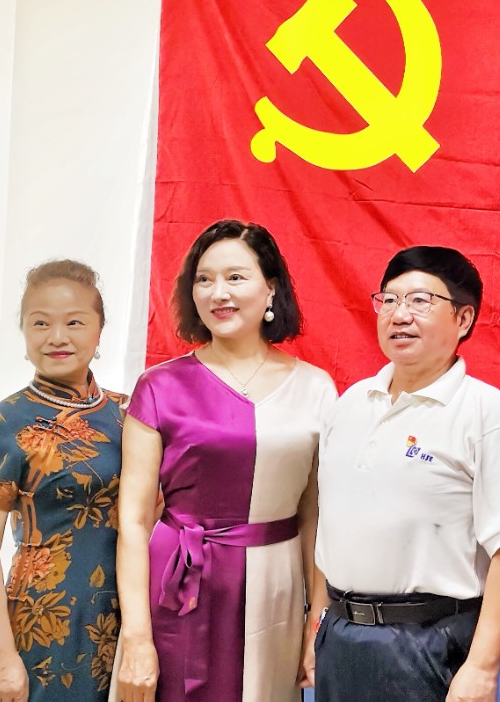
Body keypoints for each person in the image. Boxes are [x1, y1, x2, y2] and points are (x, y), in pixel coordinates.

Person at [113, 219, 336, 702]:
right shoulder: (159, 386)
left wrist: (317, 619)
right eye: (204, 279)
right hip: (177, 582)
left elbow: (315, 515)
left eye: (236, 277)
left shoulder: (316, 388)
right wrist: (136, 637)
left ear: (271, 287)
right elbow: (132, 520)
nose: (218, 293)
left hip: (274, 587)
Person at [311, 246, 500, 702]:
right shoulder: (350, 403)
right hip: (339, 634)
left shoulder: (485, 412)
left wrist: (483, 665)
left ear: (463, 319)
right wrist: (317, 623)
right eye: (389, 300)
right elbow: (328, 523)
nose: (400, 315)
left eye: (420, 301)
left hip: (431, 642)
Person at [0, 260, 127, 702]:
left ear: (99, 331)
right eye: (40, 323)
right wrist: (0, 657)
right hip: (47, 621)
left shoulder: (131, 414)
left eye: (74, 322)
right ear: (23, 332)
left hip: (133, 620)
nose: (57, 337)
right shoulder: (4, 423)